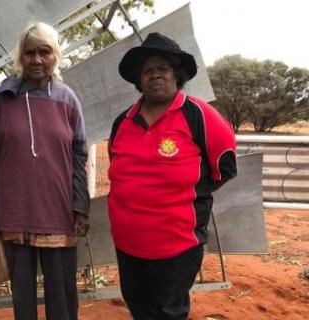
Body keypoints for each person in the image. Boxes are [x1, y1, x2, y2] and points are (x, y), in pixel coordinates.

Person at [107, 32, 238, 320]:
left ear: (176, 75)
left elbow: (225, 166)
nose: (155, 76)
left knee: (168, 312)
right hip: (128, 244)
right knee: (139, 307)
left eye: (163, 69)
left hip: (176, 245)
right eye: (148, 70)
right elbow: (118, 170)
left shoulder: (199, 115)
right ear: (138, 79)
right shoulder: (123, 122)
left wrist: (188, 195)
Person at [0, 22, 90, 320]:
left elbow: (80, 155)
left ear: (56, 56)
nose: (37, 60)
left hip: (60, 213)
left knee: (63, 300)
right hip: (16, 214)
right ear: (20, 57)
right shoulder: (4, 99)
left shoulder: (67, 99)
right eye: (30, 53)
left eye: (45, 52)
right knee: (23, 302)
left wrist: (81, 205)